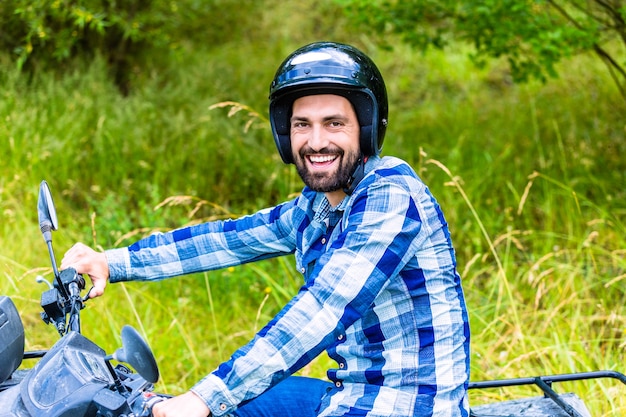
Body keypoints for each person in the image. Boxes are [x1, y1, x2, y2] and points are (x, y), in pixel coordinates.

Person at [61, 41, 470, 417]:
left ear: (366, 128)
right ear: (283, 133)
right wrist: (112, 262)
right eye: (301, 125)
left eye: (334, 124)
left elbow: (323, 311)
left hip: (407, 405)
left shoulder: (391, 198)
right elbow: (227, 240)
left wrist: (206, 396)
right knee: (227, 406)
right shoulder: (318, 206)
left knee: (214, 402)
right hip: (351, 392)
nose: (315, 141)